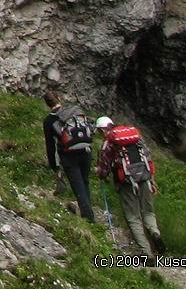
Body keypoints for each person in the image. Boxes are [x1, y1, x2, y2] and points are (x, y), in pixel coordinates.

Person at [95, 116, 163, 255]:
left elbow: (103, 169)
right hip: (144, 177)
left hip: (126, 182)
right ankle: (155, 232)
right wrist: (152, 180)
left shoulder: (108, 143)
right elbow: (147, 157)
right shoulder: (135, 137)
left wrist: (101, 174)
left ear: (102, 130)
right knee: (148, 211)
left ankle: (146, 253)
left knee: (133, 217)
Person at [42, 91, 94, 221]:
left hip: (69, 156)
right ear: (59, 98)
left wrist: (54, 166)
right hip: (85, 150)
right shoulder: (74, 111)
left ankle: (89, 218)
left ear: (47, 104)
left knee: (78, 186)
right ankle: (89, 211)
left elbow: (51, 146)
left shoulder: (49, 121)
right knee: (85, 181)